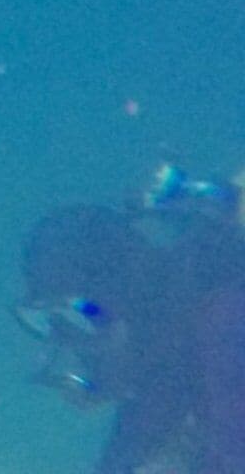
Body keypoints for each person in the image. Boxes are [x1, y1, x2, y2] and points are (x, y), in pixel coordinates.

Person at [18, 170, 245, 474]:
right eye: (46, 322)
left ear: (125, 295)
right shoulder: (170, 370)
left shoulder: (224, 334)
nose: (72, 345)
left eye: (81, 315)